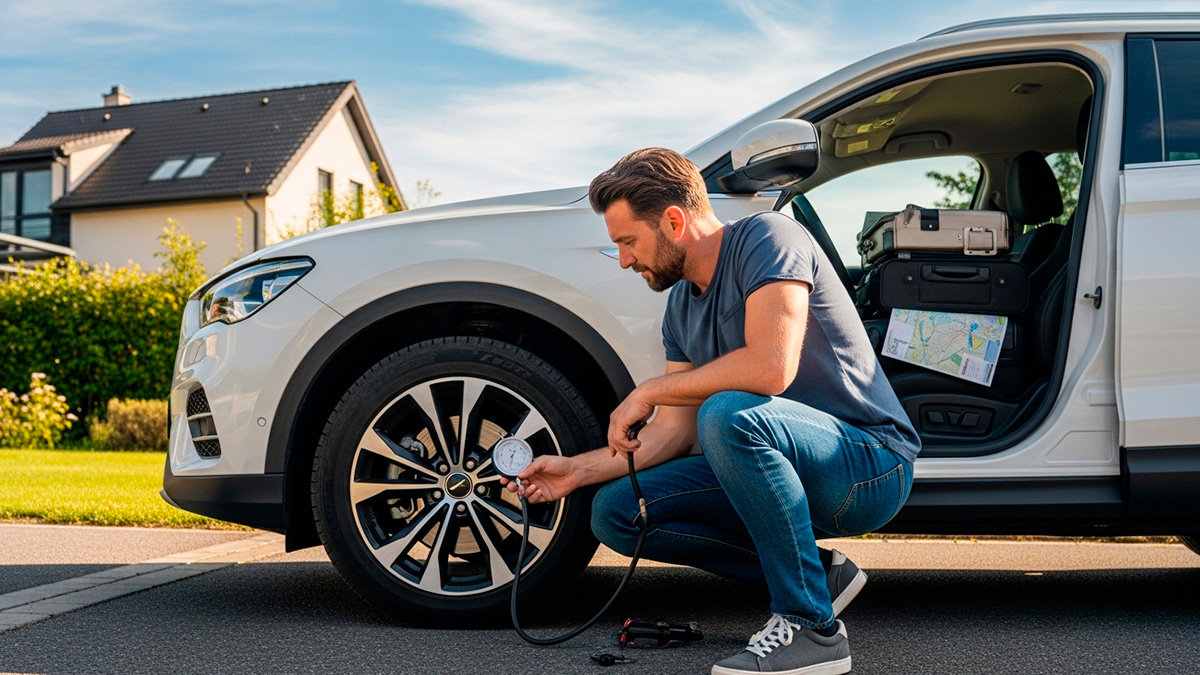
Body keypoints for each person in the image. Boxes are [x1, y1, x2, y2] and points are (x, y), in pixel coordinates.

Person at [502, 147, 921, 675]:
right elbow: (673, 435)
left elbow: (772, 368)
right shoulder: (680, 310)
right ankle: (819, 576)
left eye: (628, 242)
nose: (626, 260)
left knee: (728, 414)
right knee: (615, 510)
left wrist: (650, 389)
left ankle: (812, 629)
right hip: (779, 463)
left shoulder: (769, 239)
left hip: (866, 464)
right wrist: (576, 471)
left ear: (673, 221)